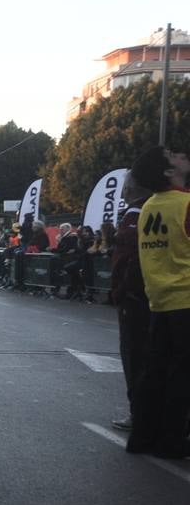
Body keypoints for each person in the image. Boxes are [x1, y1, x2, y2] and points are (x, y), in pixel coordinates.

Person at [124, 145, 190, 460]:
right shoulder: (186, 204)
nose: (182, 156)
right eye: (175, 156)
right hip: (187, 298)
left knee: (155, 373)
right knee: (180, 376)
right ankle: (172, 440)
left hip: (160, 301)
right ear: (167, 171)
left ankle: (142, 435)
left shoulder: (148, 207)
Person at [109, 175, 152, 430]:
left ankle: (141, 413)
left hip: (138, 297)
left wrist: (122, 290)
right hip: (157, 294)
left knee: (135, 356)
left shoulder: (135, 214)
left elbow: (130, 257)